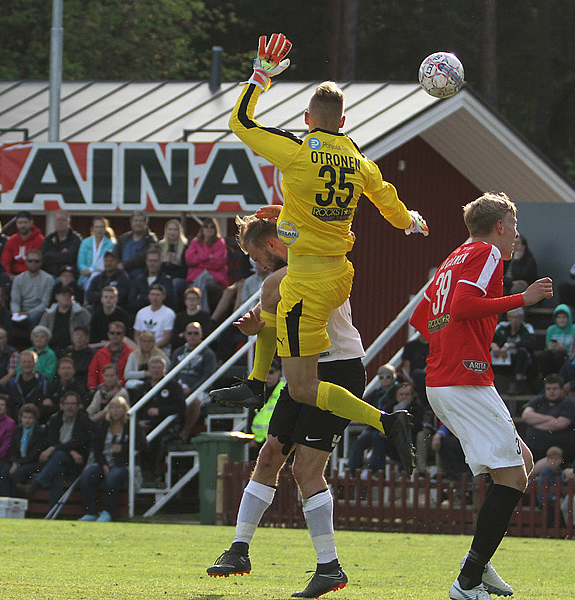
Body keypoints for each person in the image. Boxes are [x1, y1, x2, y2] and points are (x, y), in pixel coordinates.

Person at [215, 46, 428, 477]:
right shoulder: (358, 160)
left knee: (301, 384)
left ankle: (384, 420)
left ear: (308, 120)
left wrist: (260, 76)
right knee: (273, 294)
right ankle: (255, 385)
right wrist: (410, 222)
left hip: (309, 278)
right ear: (344, 123)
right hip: (338, 273)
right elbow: (387, 199)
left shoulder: (297, 149)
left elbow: (240, 122)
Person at [207, 214, 371, 599]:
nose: (258, 266)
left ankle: (329, 568)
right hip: (302, 374)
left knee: (306, 470)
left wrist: (261, 324)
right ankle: (239, 550)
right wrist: (260, 327)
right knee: (268, 457)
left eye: (255, 256)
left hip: (337, 370)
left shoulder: (297, 269)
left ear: (270, 245)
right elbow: (290, 326)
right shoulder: (288, 273)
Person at [408, 191, 552, 599]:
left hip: (444, 378)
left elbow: (425, 316)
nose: (515, 238)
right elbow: (464, 307)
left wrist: (449, 346)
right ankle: (467, 581)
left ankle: (481, 561)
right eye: (515, 228)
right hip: (463, 378)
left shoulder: (456, 256)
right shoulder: (486, 252)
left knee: (521, 460)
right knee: (514, 474)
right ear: (501, 225)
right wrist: (524, 299)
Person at [19, 390, 92, 508]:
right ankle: (53, 511)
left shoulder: (84, 421)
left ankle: (35, 486)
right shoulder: (55, 419)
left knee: (58, 456)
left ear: (78, 406)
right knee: (57, 469)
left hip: (76, 462)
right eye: (67, 404)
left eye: (73, 404)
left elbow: (78, 442)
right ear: (62, 406)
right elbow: (51, 439)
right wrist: (68, 450)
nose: (70, 407)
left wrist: (55, 448)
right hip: (58, 460)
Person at [78, 396, 137, 522]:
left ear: (125, 410)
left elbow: (142, 445)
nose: (116, 411)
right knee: (87, 475)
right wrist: (103, 465)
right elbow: (97, 448)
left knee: (112, 478)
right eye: (113, 408)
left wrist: (123, 448)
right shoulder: (104, 425)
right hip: (104, 461)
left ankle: (108, 512)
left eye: (119, 408)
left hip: (122, 464)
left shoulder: (131, 425)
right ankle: (90, 512)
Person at [520, 373, 575, 461]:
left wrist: (534, 423)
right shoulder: (539, 400)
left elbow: (559, 424)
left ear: (561, 389)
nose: (551, 392)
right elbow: (525, 416)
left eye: (555, 389)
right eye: (548, 389)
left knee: (552, 456)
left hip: (560, 447)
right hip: (534, 445)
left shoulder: (570, 404)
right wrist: (550, 419)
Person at [184, 218, 228, 312]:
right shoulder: (195, 242)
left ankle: (199, 311)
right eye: (206, 227)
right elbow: (189, 260)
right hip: (196, 277)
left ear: (215, 229)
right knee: (201, 279)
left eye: (212, 227)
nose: (209, 229)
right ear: (202, 229)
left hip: (215, 279)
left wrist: (199, 262)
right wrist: (208, 256)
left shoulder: (220, 242)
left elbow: (218, 263)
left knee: (202, 277)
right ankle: (201, 312)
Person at [490, 307, 535, 395]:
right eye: (512, 317)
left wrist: (511, 345)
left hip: (518, 359)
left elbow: (530, 343)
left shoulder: (527, 328)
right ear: (508, 317)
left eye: (518, 317)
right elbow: (489, 338)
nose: (515, 320)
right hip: (501, 358)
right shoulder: (502, 327)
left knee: (523, 352)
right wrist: (493, 345)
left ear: (522, 318)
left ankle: (518, 383)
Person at [6, 403, 47, 495]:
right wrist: (14, 461)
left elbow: (34, 455)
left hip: (34, 463)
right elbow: (13, 450)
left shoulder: (40, 432)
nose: (27, 420)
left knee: (19, 472)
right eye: (24, 417)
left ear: (35, 419)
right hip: (18, 461)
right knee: (4, 471)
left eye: (30, 418)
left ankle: (18, 501)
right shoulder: (17, 430)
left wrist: (18, 463)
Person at [9, 248, 54, 330]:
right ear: (26, 262)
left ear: (40, 263)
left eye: (36, 261)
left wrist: (28, 313)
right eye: (30, 260)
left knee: (34, 318)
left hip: (37, 312)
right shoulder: (18, 279)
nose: (33, 263)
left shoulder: (48, 279)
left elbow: (45, 303)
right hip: (20, 312)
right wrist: (16, 313)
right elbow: (15, 300)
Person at [39, 283, 90, 355]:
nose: (66, 297)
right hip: (51, 348)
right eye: (63, 295)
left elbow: (89, 330)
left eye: (69, 296)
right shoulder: (48, 313)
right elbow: (41, 330)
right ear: (57, 297)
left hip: (73, 348)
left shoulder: (81, 313)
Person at [88, 321, 133, 390]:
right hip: (102, 390)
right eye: (112, 333)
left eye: (118, 333)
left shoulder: (130, 353)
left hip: (122, 390)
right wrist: (92, 388)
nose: (115, 335)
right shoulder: (100, 353)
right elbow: (92, 372)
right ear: (108, 334)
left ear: (123, 335)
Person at [248, 361, 284, 448]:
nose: (267, 375)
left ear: (279, 372)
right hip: (258, 440)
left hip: (277, 440)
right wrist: (250, 437)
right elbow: (251, 415)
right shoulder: (258, 391)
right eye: (265, 372)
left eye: (271, 372)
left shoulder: (285, 390)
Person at [114, 211, 158, 280]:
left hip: (142, 277)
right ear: (131, 222)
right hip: (122, 276)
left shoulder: (150, 239)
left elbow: (143, 257)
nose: (138, 223)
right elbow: (115, 254)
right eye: (135, 220)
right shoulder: (123, 238)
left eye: (141, 221)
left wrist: (124, 265)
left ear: (146, 223)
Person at [128, 247, 174, 313]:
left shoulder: (166, 280)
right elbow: (132, 302)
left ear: (160, 262)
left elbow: (169, 301)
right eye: (150, 261)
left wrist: (142, 298)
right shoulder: (138, 280)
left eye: (155, 261)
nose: (152, 263)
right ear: (146, 262)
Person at [1, 211, 44, 278]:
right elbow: (5, 261)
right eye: (20, 223)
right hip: (13, 276)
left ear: (31, 223)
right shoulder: (12, 240)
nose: (22, 226)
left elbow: (41, 262)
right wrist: (8, 275)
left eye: (25, 222)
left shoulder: (40, 240)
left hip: (33, 275)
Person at [45, 357, 88, 424]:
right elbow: (46, 406)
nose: (65, 371)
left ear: (73, 371)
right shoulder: (53, 385)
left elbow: (81, 407)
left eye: (68, 368)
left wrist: (55, 407)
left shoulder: (79, 387)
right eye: (63, 368)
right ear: (58, 371)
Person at [158, 217, 188, 310]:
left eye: (175, 229)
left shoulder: (185, 246)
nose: (172, 232)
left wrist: (171, 277)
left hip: (179, 278)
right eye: (170, 229)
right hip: (163, 276)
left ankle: (173, 309)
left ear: (179, 231)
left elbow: (185, 268)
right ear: (166, 231)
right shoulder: (160, 246)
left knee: (173, 285)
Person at [77, 217, 115, 290]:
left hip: (103, 276)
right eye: (96, 227)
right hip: (85, 276)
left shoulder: (111, 245)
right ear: (92, 229)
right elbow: (80, 263)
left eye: (101, 227)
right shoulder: (85, 242)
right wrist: (89, 270)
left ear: (105, 229)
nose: (99, 230)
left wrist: (93, 271)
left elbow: (107, 263)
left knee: (95, 276)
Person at [538, 304, 575, 379]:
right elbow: (547, 345)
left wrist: (564, 348)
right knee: (545, 355)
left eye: (564, 317)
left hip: (567, 355)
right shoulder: (551, 329)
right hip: (552, 355)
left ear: (569, 317)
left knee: (559, 355)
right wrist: (550, 347)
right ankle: (547, 378)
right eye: (559, 317)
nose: (561, 320)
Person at [40, 210, 82, 276]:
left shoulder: (75, 239)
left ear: (68, 222)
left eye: (63, 220)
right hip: (49, 275)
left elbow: (69, 257)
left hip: (69, 276)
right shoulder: (49, 238)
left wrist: (51, 254)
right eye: (58, 220)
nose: (60, 222)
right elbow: (43, 257)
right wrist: (62, 254)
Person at [133, 283, 175, 349]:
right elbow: (137, 335)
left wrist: (151, 348)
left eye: (158, 295)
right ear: (148, 296)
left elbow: (167, 338)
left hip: (160, 350)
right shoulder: (141, 312)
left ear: (163, 296)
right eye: (152, 294)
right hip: (142, 349)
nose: (155, 297)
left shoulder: (169, 313)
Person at [8, 350, 48, 419]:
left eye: (29, 362)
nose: (26, 364)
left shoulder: (43, 383)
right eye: (24, 362)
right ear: (19, 363)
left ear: (35, 363)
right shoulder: (13, 383)